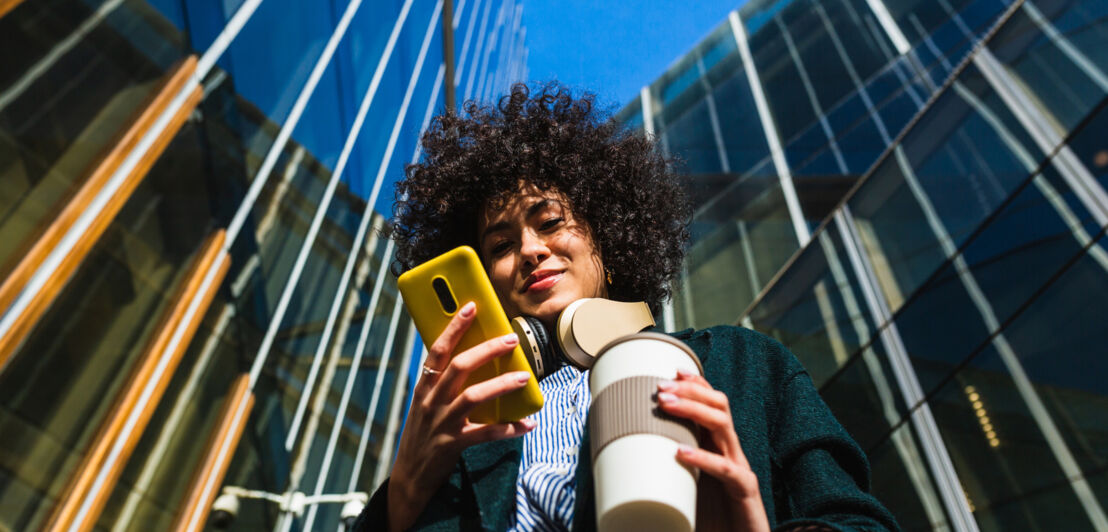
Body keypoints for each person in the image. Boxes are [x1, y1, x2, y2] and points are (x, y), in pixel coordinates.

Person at [353, 83, 899, 531]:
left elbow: (857, 521)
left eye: (551, 222)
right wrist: (402, 495)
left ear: (606, 236)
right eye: (500, 246)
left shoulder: (745, 364)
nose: (530, 250)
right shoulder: (463, 438)